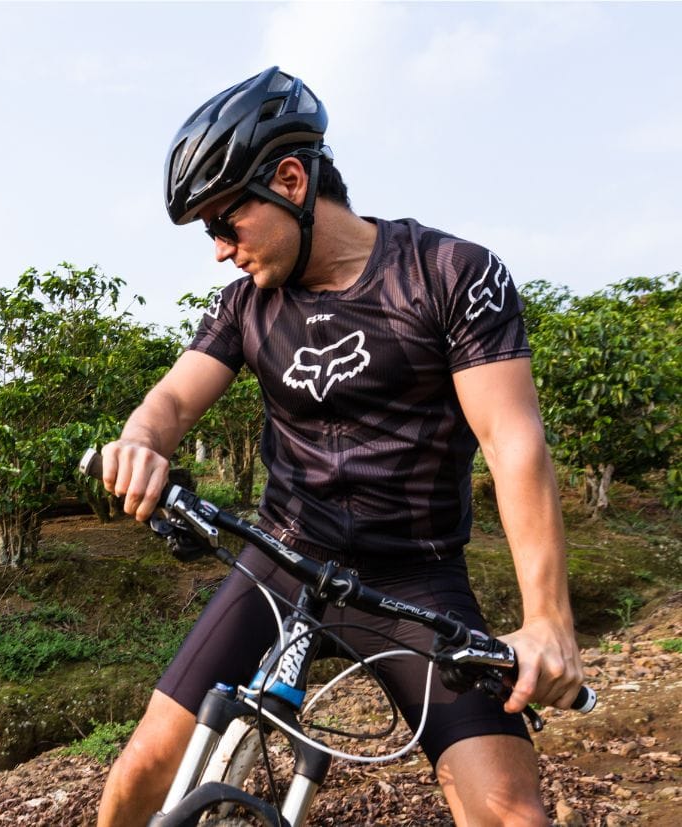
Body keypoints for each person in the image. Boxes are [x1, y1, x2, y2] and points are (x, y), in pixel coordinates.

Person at [96, 66, 585, 827]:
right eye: (208, 233)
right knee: (142, 772)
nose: (220, 250)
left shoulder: (449, 273)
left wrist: (548, 618)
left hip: (413, 577)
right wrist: (140, 442)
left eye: (225, 223)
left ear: (291, 179)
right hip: (281, 557)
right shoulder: (245, 307)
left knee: (512, 812)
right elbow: (169, 401)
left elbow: (512, 441)